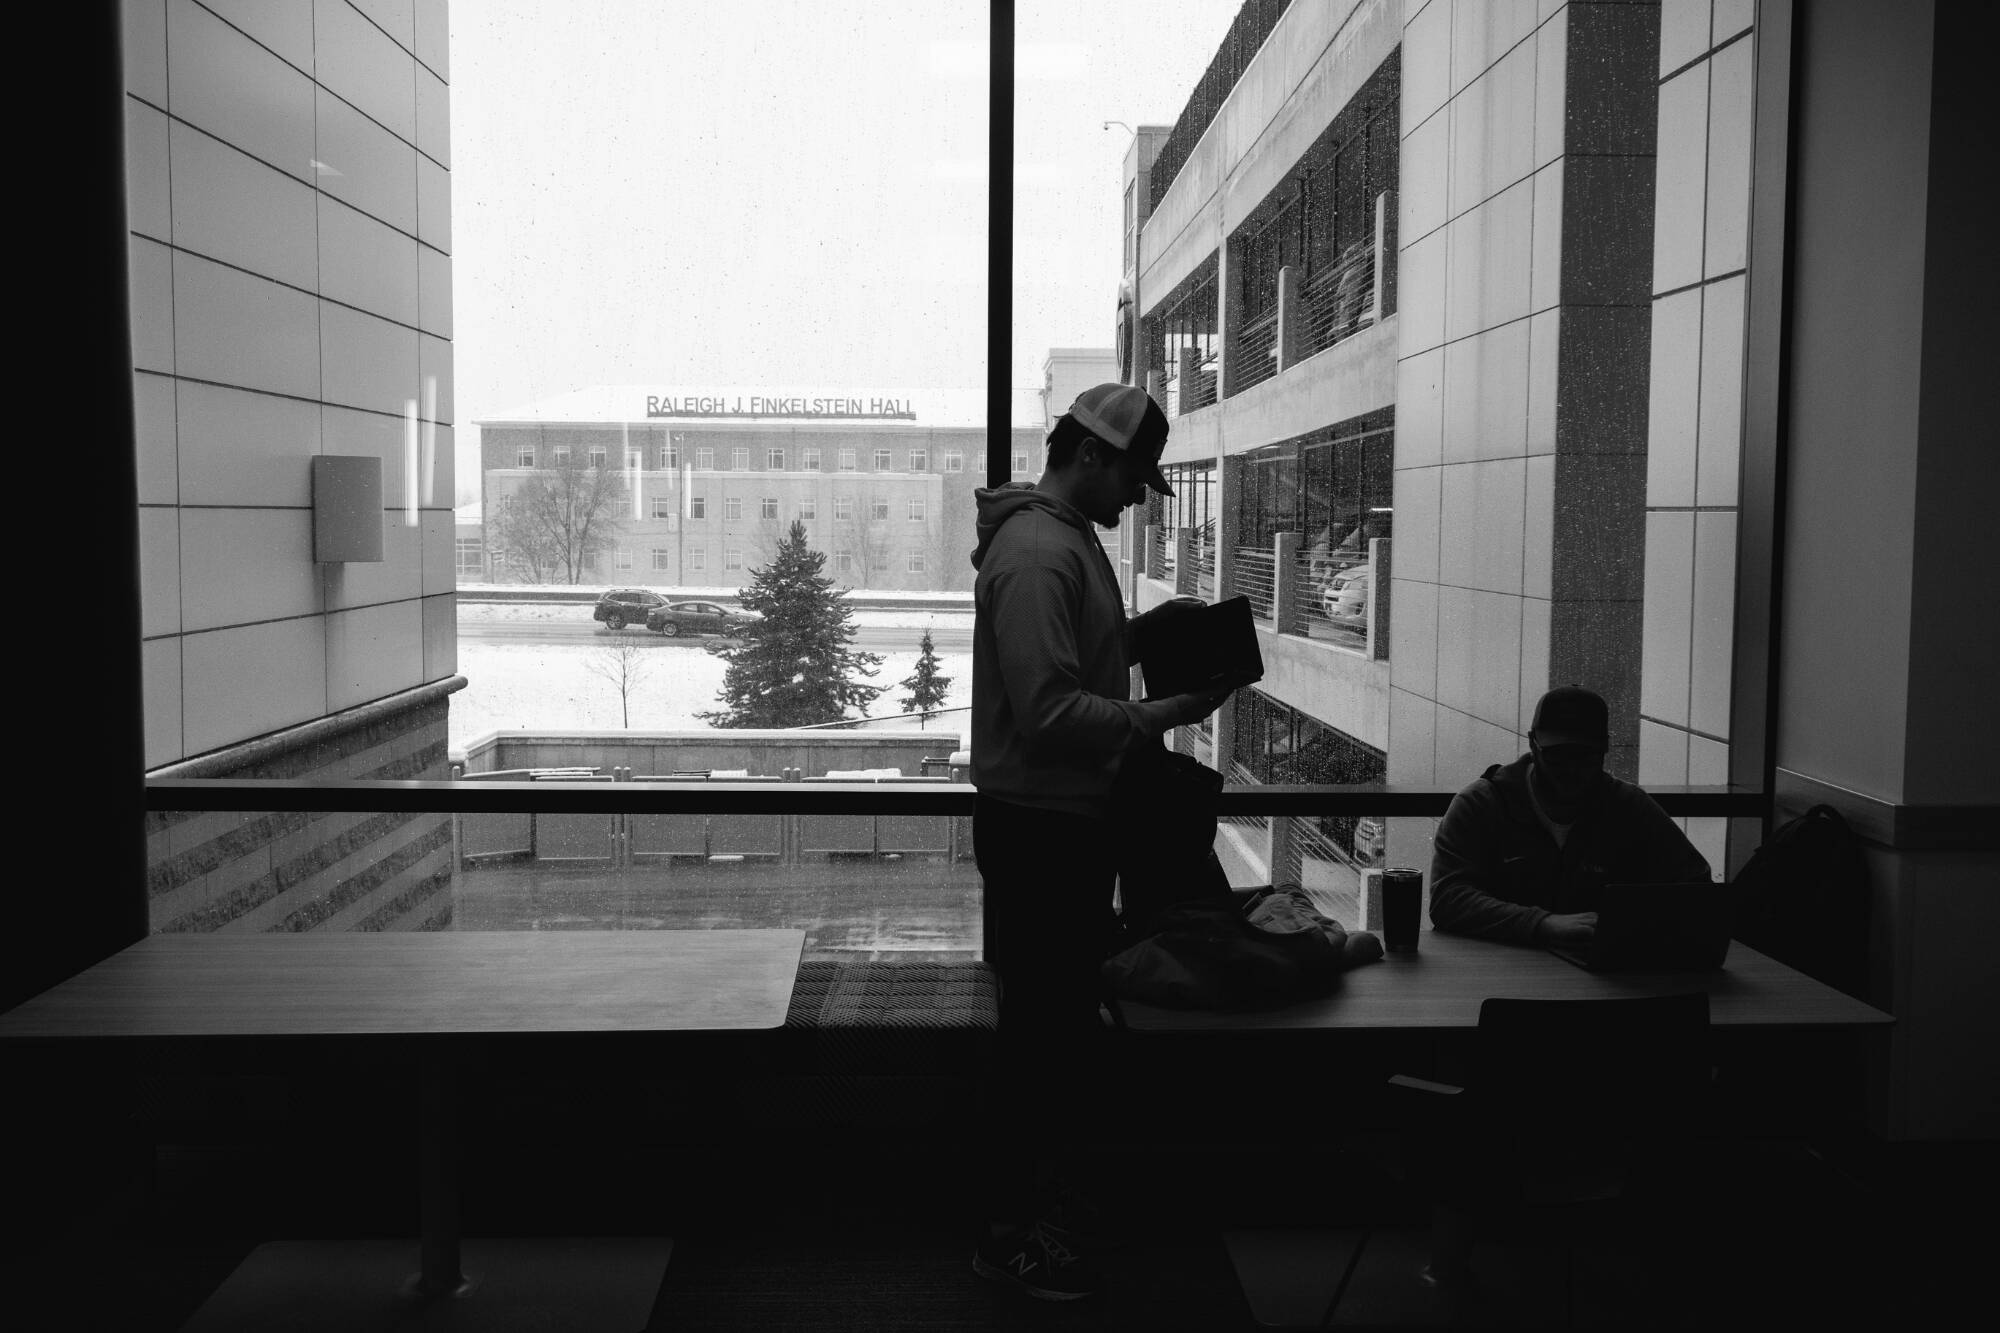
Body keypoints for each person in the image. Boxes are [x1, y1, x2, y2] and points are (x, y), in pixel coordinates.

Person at [967, 382, 1233, 1301]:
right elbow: (1048, 711)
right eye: (1131, 479)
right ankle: (1007, 1236)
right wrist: (1167, 711)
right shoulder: (1041, 552)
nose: (1134, 499)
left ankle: (1035, 1215)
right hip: (1042, 832)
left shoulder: (1061, 540)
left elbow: (1073, 660)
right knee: (1041, 1040)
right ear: (1089, 454)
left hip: (1053, 829)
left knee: (1054, 1033)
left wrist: (1143, 635)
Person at [1430, 683, 1713, 947]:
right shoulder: (1482, 804)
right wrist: (1544, 924)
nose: (1571, 769)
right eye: (1557, 756)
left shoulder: (1629, 806)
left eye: (1584, 756)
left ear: (1605, 749)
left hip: (1577, 968)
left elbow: (1695, 888)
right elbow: (1447, 898)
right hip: (1510, 969)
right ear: (1532, 745)